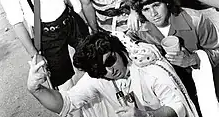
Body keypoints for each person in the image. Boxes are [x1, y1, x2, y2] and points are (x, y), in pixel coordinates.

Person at [27, 32, 199, 117]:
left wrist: (146, 116)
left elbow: (178, 107)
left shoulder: (150, 70)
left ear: (117, 49)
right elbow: (66, 104)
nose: (110, 71)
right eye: (101, 71)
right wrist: (35, 89)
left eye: (110, 60)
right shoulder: (99, 77)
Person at [123, 0, 219, 116]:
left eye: (156, 5)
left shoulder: (196, 20)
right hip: (171, 92)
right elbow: (127, 44)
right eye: (146, 9)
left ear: (166, 2)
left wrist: (193, 59)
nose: (153, 13)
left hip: (202, 84)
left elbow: (217, 51)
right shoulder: (140, 29)